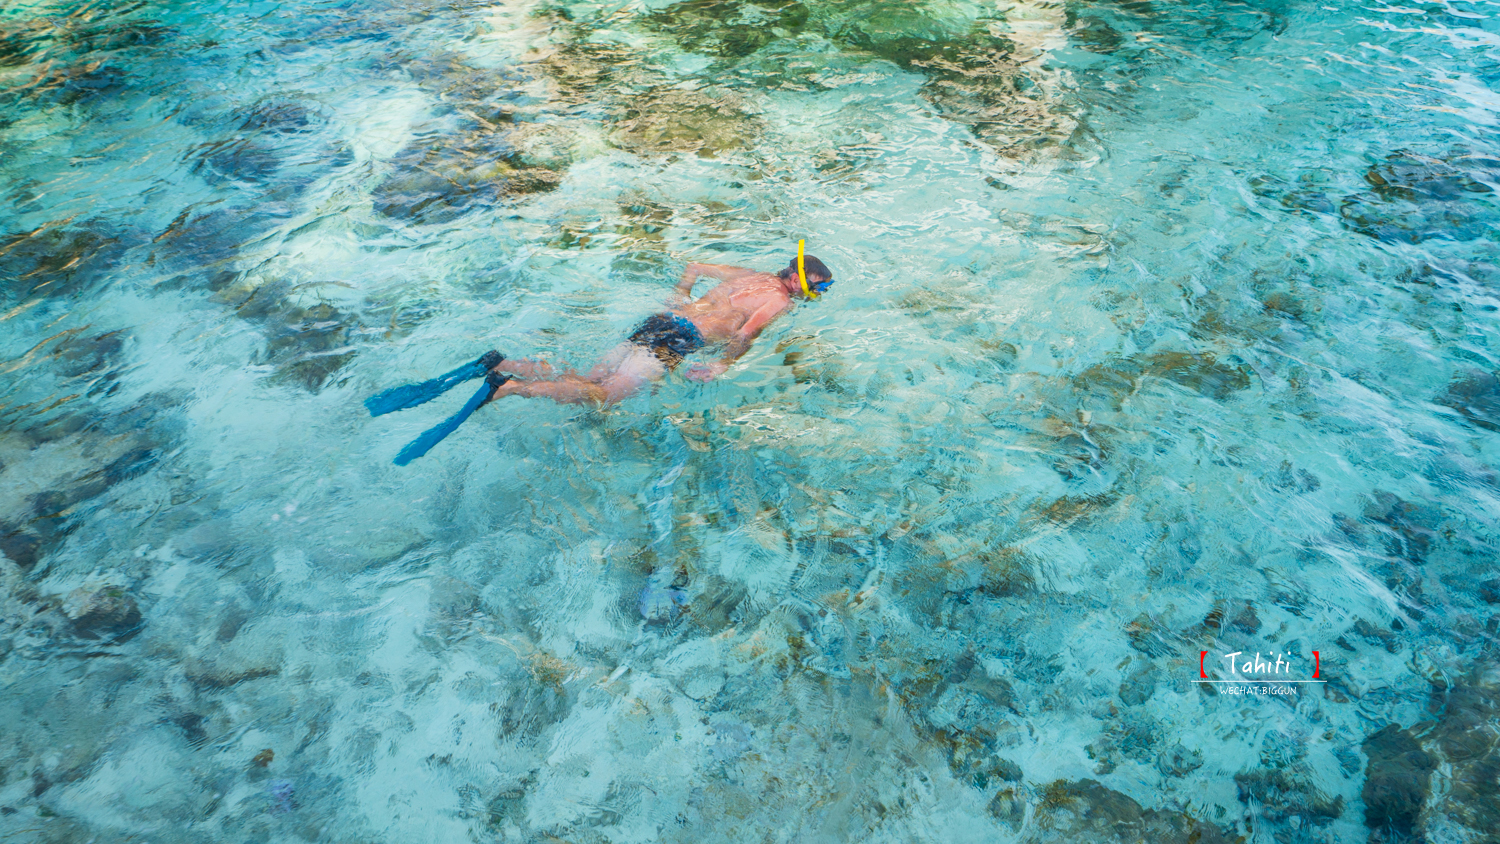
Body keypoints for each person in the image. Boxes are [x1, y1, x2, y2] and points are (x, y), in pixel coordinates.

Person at [483, 252, 835, 405]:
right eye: (816, 287)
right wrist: (722, 365)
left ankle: (504, 365)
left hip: (662, 321)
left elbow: (694, 267)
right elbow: (745, 334)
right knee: (605, 396)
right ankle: (511, 388)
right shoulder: (780, 301)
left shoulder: (749, 275)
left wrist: (679, 296)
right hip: (682, 339)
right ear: (795, 280)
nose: (817, 294)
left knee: (591, 379)